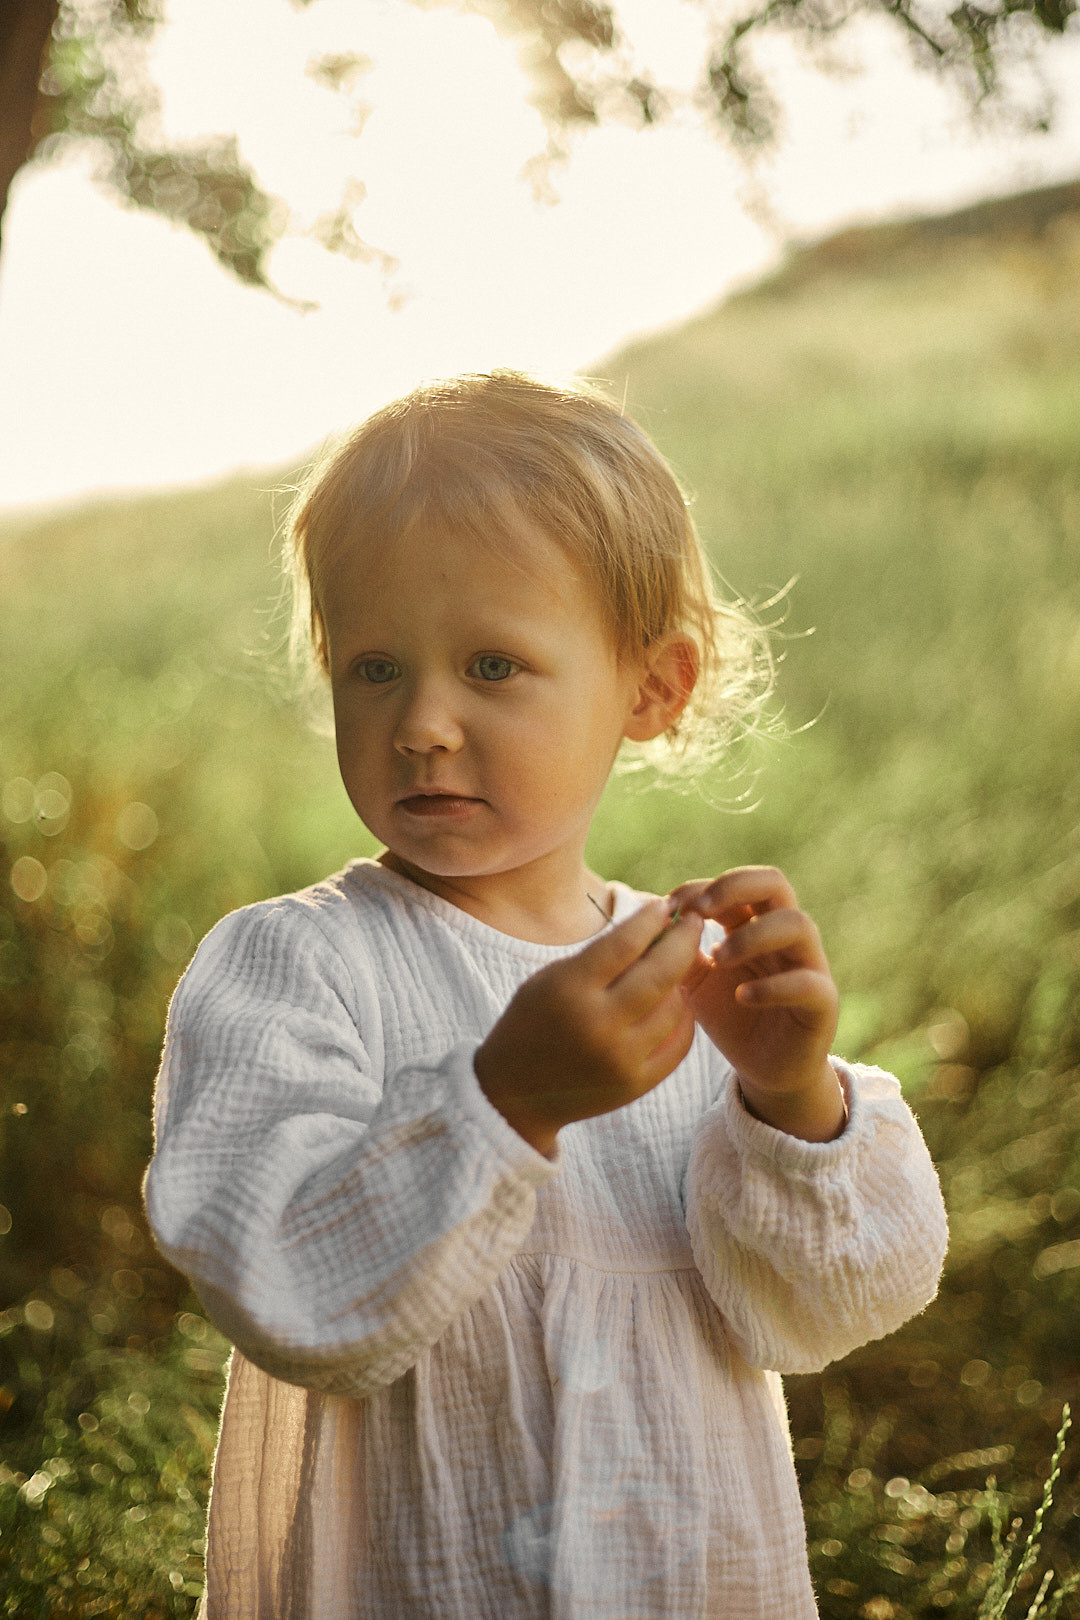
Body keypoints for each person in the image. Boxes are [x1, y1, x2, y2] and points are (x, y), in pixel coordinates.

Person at [144, 371, 948, 1620]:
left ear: (651, 690)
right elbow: (280, 1286)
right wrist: (500, 1100)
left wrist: (789, 1093)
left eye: (491, 664)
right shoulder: (294, 964)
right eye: (373, 667)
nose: (421, 723)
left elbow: (826, 1310)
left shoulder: (688, 979)